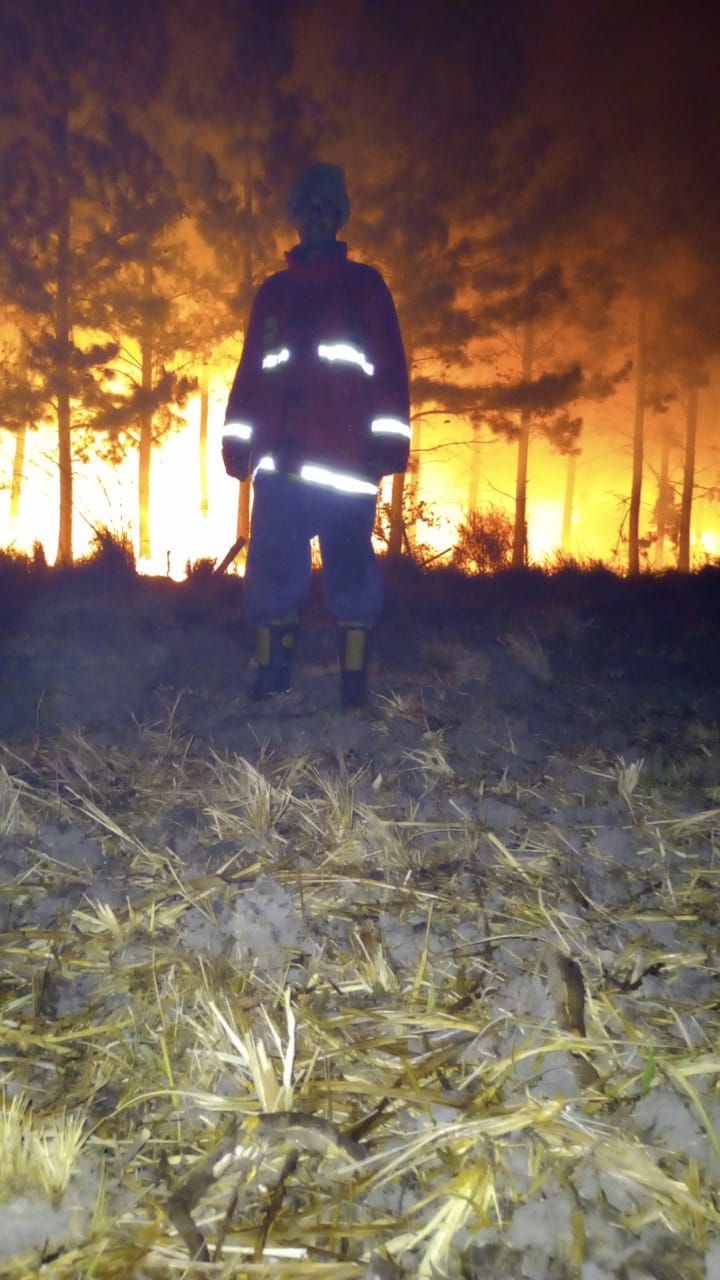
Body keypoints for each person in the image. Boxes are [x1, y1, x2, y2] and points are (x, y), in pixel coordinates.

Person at [221, 162, 411, 709]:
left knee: (352, 572)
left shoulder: (365, 287)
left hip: (348, 465)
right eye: (307, 209)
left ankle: (353, 688)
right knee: (272, 571)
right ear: (297, 218)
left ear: (339, 217)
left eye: (326, 208)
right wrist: (237, 438)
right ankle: (272, 678)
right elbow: (252, 372)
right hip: (282, 465)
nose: (315, 218)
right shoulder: (274, 294)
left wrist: (388, 443)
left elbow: (390, 371)